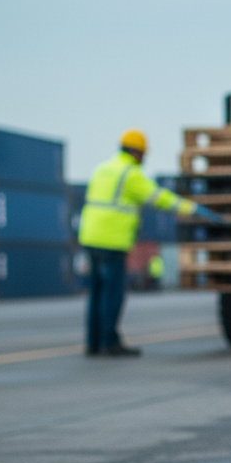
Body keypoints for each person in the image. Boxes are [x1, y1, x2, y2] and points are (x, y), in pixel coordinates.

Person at [78, 129, 206, 357]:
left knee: (96, 293)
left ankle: (93, 343)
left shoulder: (102, 169)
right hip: (112, 240)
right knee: (113, 294)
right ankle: (110, 342)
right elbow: (158, 197)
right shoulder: (130, 174)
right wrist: (191, 208)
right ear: (137, 153)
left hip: (90, 237)